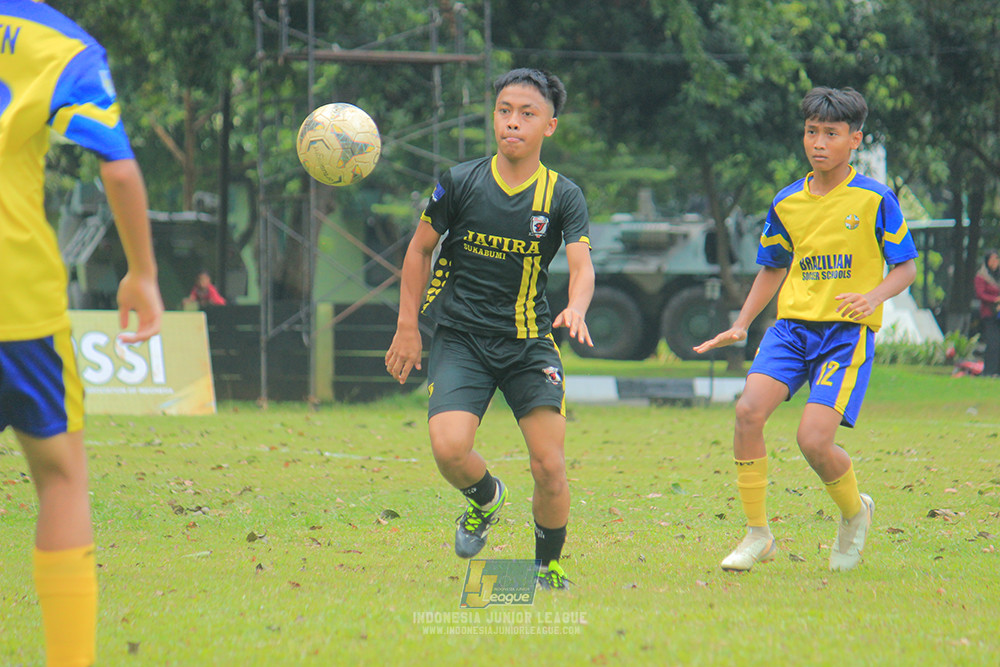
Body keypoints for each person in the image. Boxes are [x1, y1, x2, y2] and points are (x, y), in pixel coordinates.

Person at [385, 68, 595, 590]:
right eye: (504, 110)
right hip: (461, 337)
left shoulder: (562, 196)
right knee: (449, 448)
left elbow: (583, 266)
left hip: (528, 341)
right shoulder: (459, 181)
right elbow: (418, 250)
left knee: (549, 465)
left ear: (550, 126)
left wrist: (578, 306)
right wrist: (406, 325)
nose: (513, 123)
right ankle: (486, 498)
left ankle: (548, 567)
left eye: (527, 114)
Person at [0, 1, 164, 665]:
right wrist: (143, 274)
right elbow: (118, 167)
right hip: (16, 295)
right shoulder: (60, 43)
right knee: (61, 477)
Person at [695, 87, 917, 573]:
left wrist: (872, 297)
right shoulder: (787, 202)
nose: (819, 142)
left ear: (854, 139)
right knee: (748, 412)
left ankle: (855, 513)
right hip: (791, 330)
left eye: (831, 134)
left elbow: (905, 269)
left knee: (814, 441)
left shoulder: (876, 198)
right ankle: (758, 535)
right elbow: (772, 268)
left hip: (845, 333)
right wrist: (741, 324)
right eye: (812, 132)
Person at [973, 249, 1000, 376]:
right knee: (992, 342)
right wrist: (995, 299)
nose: (995, 262)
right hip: (989, 314)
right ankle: (989, 371)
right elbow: (980, 294)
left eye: (997, 259)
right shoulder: (981, 276)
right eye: (992, 259)